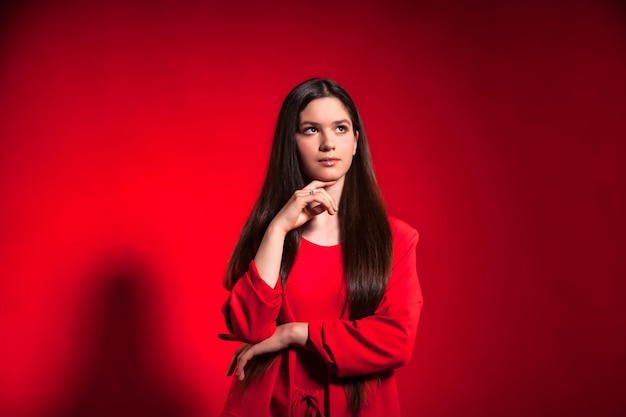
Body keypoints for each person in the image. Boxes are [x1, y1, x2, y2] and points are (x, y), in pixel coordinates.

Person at [219, 78, 422, 417]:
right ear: (292, 143)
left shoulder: (396, 238)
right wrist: (278, 228)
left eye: (340, 128)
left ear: (356, 142)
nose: (328, 143)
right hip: (272, 407)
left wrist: (293, 333)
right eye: (311, 130)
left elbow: (396, 340)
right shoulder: (270, 234)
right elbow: (249, 329)